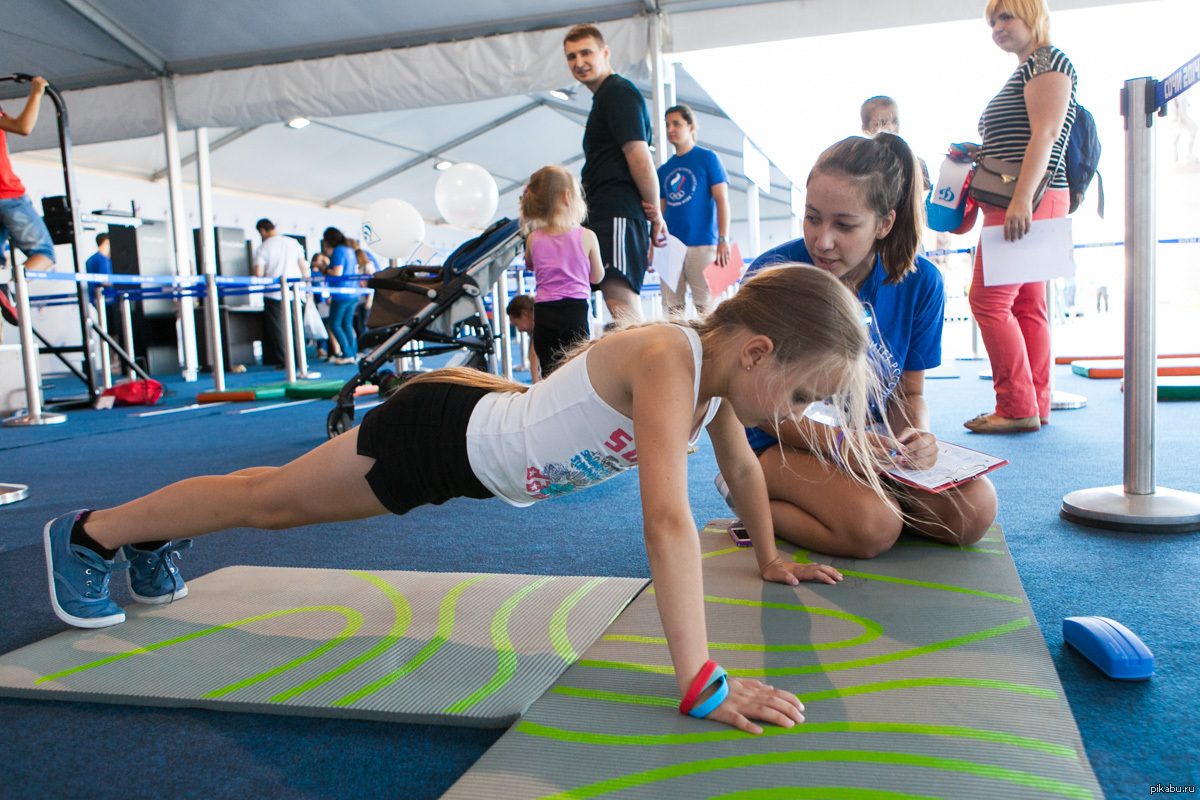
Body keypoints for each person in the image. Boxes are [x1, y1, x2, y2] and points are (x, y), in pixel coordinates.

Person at [43, 265, 897, 734]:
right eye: (798, 398)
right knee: (268, 501)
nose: (792, 420)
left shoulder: (713, 383)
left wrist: (773, 553)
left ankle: (144, 541)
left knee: (265, 500)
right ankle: (92, 535)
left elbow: (744, 474)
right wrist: (699, 678)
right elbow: (668, 518)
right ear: (757, 353)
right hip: (436, 442)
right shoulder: (670, 359)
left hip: (468, 440)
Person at [744, 134, 997, 559]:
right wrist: (842, 444)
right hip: (777, 441)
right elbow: (759, 408)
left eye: (844, 225)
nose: (823, 240)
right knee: (875, 525)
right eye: (811, 218)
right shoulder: (773, 274)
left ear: (884, 223)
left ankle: (855, 503)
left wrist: (916, 437)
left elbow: (909, 393)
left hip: (869, 444)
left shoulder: (923, 283)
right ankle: (750, 501)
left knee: (973, 510)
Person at [965, 0, 1076, 433]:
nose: (997, 27)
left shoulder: (1046, 61)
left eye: (1006, 16)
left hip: (1028, 199)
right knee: (1028, 304)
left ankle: (1016, 406)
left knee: (988, 302)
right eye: (992, 21)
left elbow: (1046, 134)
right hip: (1031, 197)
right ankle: (1035, 403)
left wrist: (1021, 200)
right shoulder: (1032, 66)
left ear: (1032, 15)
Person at [564, 24, 667, 323]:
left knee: (621, 303)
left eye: (586, 52)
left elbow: (640, 159)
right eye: (571, 56)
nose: (579, 62)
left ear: (605, 52)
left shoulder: (619, 93)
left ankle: (648, 368)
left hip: (618, 211)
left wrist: (656, 217)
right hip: (606, 211)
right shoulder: (605, 98)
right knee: (617, 304)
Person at [519, 165, 605, 376]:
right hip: (575, 311)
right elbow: (598, 277)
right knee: (577, 370)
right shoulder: (586, 236)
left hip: (544, 313)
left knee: (550, 372)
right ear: (568, 197)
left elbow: (530, 264)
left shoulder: (533, 239)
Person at [657, 104, 731, 317]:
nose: (671, 128)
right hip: (670, 247)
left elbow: (722, 200)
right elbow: (660, 213)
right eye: (667, 124)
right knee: (672, 311)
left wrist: (723, 239)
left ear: (690, 127)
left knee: (707, 309)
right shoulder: (663, 171)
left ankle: (712, 350)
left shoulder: (707, 159)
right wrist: (653, 245)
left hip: (704, 245)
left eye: (676, 123)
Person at [0, 77, 57, 278]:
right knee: (44, 254)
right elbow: (23, 127)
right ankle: (12, 292)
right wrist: (36, 92)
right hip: (7, 193)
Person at [252, 219, 307, 368]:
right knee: (296, 326)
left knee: (278, 329)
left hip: (274, 293)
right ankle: (300, 358)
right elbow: (303, 267)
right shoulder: (292, 242)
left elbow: (259, 273)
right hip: (295, 291)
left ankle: (285, 361)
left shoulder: (263, 247)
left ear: (262, 231)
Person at [859, 96, 932, 192]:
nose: (891, 128)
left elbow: (924, 203)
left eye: (895, 121)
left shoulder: (917, 165)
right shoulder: (860, 167)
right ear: (865, 130)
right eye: (881, 123)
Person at [316, 227, 359, 364]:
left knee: (334, 324)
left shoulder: (338, 251)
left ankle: (346, 353)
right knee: (347, 324)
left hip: (341, 294)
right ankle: (352, 353)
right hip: (353, 292)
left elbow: (337, 272)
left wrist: (324, 269)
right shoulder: (350, 250)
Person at [505, 294, 539, 382]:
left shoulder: (539, 330)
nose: (519, 330)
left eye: (517, 324)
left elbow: (534, 355)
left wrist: (535, 388)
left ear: (525, 314)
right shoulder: (536, 330)